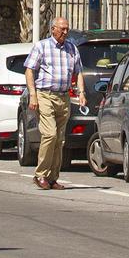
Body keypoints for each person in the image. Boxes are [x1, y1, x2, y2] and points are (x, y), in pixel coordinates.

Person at [22, 16, 80, 191]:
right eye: (62, 28)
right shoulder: (42, 46)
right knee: (50, 134)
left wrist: (82, 93)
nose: (65, 32)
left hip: (63, 97)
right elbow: (29, 71)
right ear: (52, 29)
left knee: (59, 140)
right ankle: (40, 174)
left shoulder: (71, 48)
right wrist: (33, 95)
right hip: (45, 95)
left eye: (67, 29)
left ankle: (52, 177)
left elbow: (79, 72)